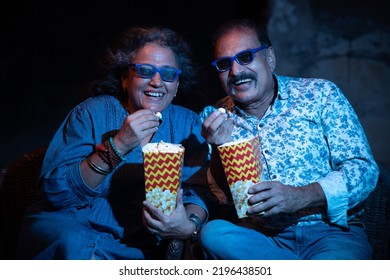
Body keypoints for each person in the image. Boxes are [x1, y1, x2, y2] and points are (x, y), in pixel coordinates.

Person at [16, 26, 210, 260]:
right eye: (145, 71)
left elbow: (198, 190)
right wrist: (118, 146)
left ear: (176, 85)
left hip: (141, 244)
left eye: (168, 74)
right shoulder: (91, 113)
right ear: (125, 79)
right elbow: (56, 195)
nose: (157, 82)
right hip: (76, 228)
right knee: (73, 241)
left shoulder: (186, 123)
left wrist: (189, 224)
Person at [198, 18, 379, 260]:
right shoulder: (213, 119)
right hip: (262, 240)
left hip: (331, 234)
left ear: (270, 58)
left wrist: (301, 195)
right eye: (224, 64)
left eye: (245, 57)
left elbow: (363, 171)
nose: (236, 71)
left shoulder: (319, 94)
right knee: (213, 233)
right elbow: (220, 198)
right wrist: (219, 148)